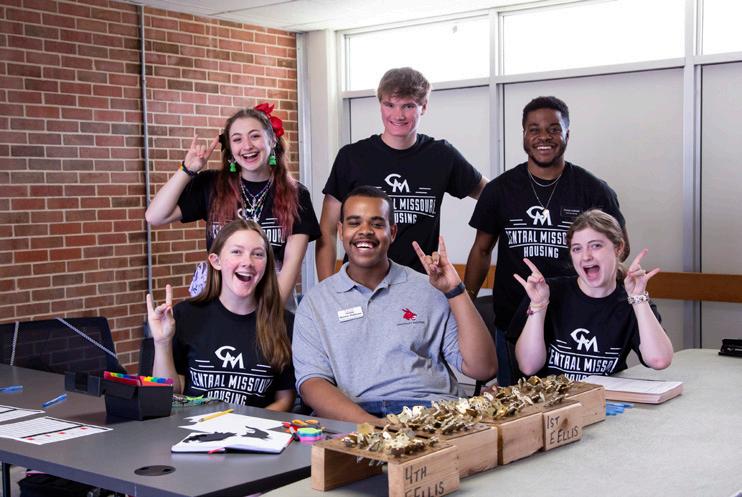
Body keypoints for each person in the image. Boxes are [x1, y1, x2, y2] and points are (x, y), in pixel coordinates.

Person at [293, 186, 497, 422]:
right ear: (341, 231)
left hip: (433, 412)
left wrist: (455, 290)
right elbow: (312, 384)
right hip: (358, 417)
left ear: (393, 232)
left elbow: (484, 368)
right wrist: (374, 426)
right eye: (354, 223)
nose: (365, 231)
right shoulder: (316, 303)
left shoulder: (430, 288)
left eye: (377, 224)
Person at [464, 96, 626, 386]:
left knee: (578, 403)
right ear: (524, 135)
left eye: (553, 129)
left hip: (573, 319)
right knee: (514, 402)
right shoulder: (499, 190)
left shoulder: (593, 190)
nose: (544, 137)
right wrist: (467, 302)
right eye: (534, 129)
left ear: (567, 135)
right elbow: (481, 249)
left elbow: (619, 248)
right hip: (513, 318)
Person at [315, 67, 487, 279]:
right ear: (380, 104)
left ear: (424, 107)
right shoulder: (352, 157)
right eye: (389, 105)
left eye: (408, 106)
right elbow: (327, 231)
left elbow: (493, 194)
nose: (398, 115)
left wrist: (484, 244)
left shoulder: (442, 156)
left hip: (420, 286)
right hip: (359, 284)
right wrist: (327, 289)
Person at [145, 103, 320, 308]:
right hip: (217, 303)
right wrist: (188, 169)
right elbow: (155, 216)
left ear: (272, 140)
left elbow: (291, 265)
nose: (247, 146)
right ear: (230, 148)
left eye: (255, 136)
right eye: (237, 139)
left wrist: (266, 315)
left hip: (271, 302)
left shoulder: (296, 194)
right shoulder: (212, 184)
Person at [146, 219, 295, 410]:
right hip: (193, 426)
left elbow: (285, 400)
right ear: (216, 261)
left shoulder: (284, 323)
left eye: (258, 254)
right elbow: (169, 395)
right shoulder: (186, 315)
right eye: (236, 252)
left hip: (254, 428)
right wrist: (162, 343)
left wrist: (248, 424)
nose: (247, 262)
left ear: (267, 264)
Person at [511, 210, 673, 381]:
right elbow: (528, 366)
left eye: (595, 246)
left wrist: (639, 299)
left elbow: (659, 360)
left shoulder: (632, 300)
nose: (586, 256)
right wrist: (538, 305)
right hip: (552, 396)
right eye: (577, 249)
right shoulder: (547, 292)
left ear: (618, 248)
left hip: (605, 396)